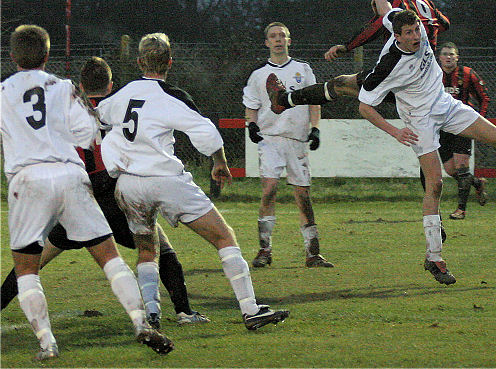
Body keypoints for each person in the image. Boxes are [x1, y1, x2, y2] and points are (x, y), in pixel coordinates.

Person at [0, 25, 173, 360]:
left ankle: (47, 343)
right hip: (69, 174)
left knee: (27, 270)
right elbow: (86, 132)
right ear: (47, 56)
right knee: (110, 257)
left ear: (11, 56)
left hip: (27, 179)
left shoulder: (3, 91)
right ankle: (140, 321)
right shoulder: (62, 87)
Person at [95, 32, 289, 331]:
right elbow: (205, 131)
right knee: (224, 237)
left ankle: (152, 314)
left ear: (138, 62)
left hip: (129, 185)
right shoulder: (171, 95)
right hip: (165, 181)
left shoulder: (123, 93)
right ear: (170, 63)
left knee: (147, 249)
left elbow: (100, 118)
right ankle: (251, 310)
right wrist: (220, 161)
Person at [356, 5, 496, 286]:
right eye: (410, 33)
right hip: (419, 120)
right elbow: (365, 106)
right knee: (435, 184)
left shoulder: (404, 23)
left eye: (418, 29)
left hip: (444, 104)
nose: (417, 36)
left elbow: (387, 9)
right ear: (398, 38)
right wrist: (395, 131)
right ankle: (434, 257)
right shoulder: (389, 65)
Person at [1, 57, 210, 328]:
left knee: (32, 262)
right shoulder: (118, 109)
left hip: (77, 200)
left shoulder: (64, 112)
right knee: (160, 250)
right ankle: (183, 311)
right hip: (113, 198)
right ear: (111, 85)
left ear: (80, 86)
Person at [266, 0, 450, 113]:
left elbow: (374, 28)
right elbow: (443, 24)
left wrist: (347, 47)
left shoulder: (397, 1)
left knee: (342, 86)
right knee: (342, 84)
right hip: (424, 79)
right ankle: (284, 101)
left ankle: (283, 101)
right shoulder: (426, 3)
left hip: (402, 75)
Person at [243, 23, 334, 269]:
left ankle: (313, 253)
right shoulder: (258, 75)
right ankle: (264, 249)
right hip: (270, 140)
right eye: (272, 36)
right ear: (267, 42)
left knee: (303, 195)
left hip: (297, 141)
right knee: (269, 189)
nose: (277, 40)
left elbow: (315, 102)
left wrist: (315, 128)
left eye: (282, 35)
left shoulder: (303, 70)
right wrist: (251, 125)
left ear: (289, 40)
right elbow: (251, 105)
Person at [436, 42, 490, 220]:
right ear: (439, 57)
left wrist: (478, 122)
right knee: (451, 170)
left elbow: (484, 98)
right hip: (441, 128)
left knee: (461, 168)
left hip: (462, 127)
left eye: (452, 54)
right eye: (445, 54)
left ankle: (461, 210)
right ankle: (477, 183)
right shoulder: (433, 75)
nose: (448, 57)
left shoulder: (467, 74)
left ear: (457, 57)